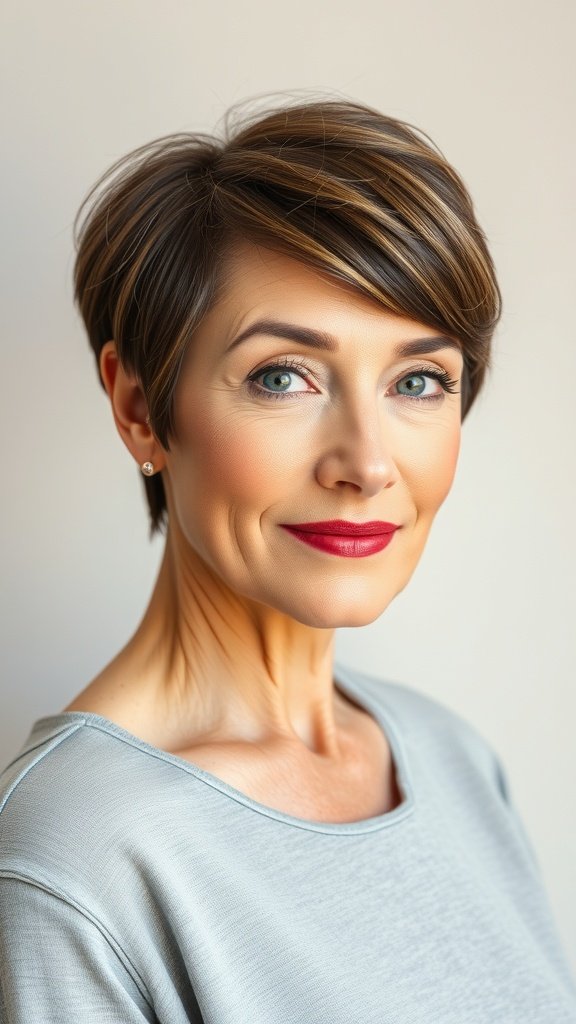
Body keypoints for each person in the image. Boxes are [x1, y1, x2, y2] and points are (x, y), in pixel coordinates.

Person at [0, 97, 574, 1024]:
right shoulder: (72, 862)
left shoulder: (453, 758)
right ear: (142, 409)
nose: (369, 463)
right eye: (284, 377)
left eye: (418, 381)